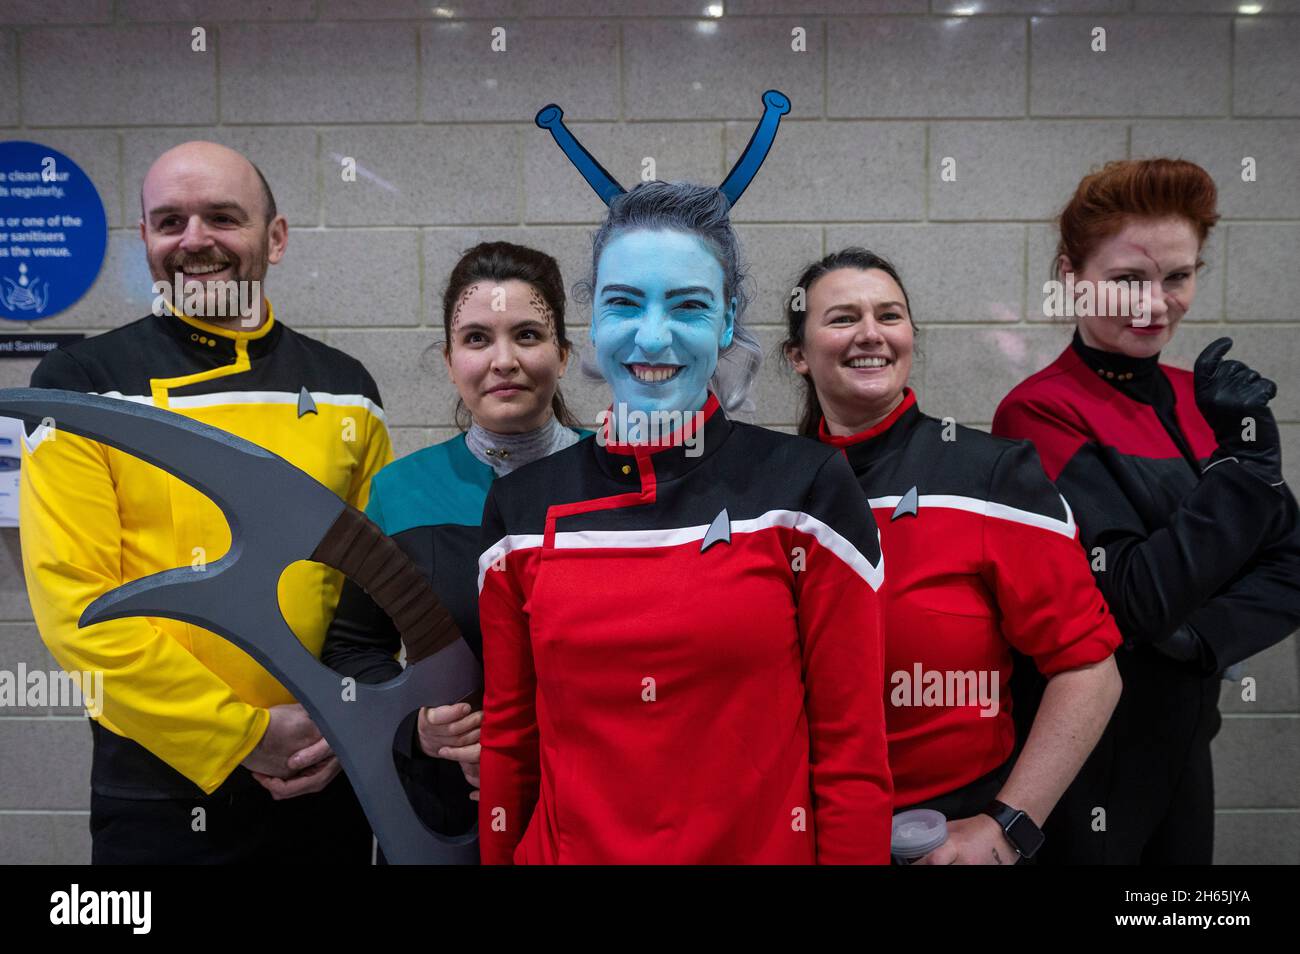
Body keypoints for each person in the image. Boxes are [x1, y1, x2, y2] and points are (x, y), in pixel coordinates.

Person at [476, 182, 893, 865]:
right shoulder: (522, 508)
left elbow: (851, 756)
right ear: (592, 323)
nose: (652, 336)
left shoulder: (807, 488)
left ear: (727, 323)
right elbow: (508, 741)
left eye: (689, 307)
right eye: (623, 304)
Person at [20, 141, 392, 863]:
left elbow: (370, 593)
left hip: (327, 774)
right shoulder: (79, 382)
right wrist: (242, 734)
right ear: (146, 242)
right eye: (170, 222)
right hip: (159, 785)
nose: (195, 241)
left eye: (222, 217)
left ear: (274, 238)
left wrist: (349, 718)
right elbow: (78, 608)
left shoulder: (348, 388)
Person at [993, 158, 1300, 864]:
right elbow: (1130, 596)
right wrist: (1244, 472)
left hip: (1189, 742)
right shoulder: (1040, 412)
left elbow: (1290, 565)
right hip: (1091, 757)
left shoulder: (1209, 397)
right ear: (1070, 276)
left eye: (1177, 276)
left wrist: (1197, 643)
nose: (1154, 304)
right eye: (1127, 278)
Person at [783, 248, 1122, 865]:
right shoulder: (773, 491)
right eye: (841, 318)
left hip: (946, 835)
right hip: (802, 832)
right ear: (798, 356)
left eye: (889, 315)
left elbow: (1090, 670)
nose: (869, 333)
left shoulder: (990, 472)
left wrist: (1006, 827)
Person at [321, 241, 588, 846]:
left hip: (590, 805)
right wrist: (417, 729)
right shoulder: (400, 492)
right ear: (448, 360)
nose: (503, 361)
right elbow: (350, 653)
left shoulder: (618, 479)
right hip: (444, 818)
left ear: (563, 355)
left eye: (527, 335)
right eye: (476, 339)